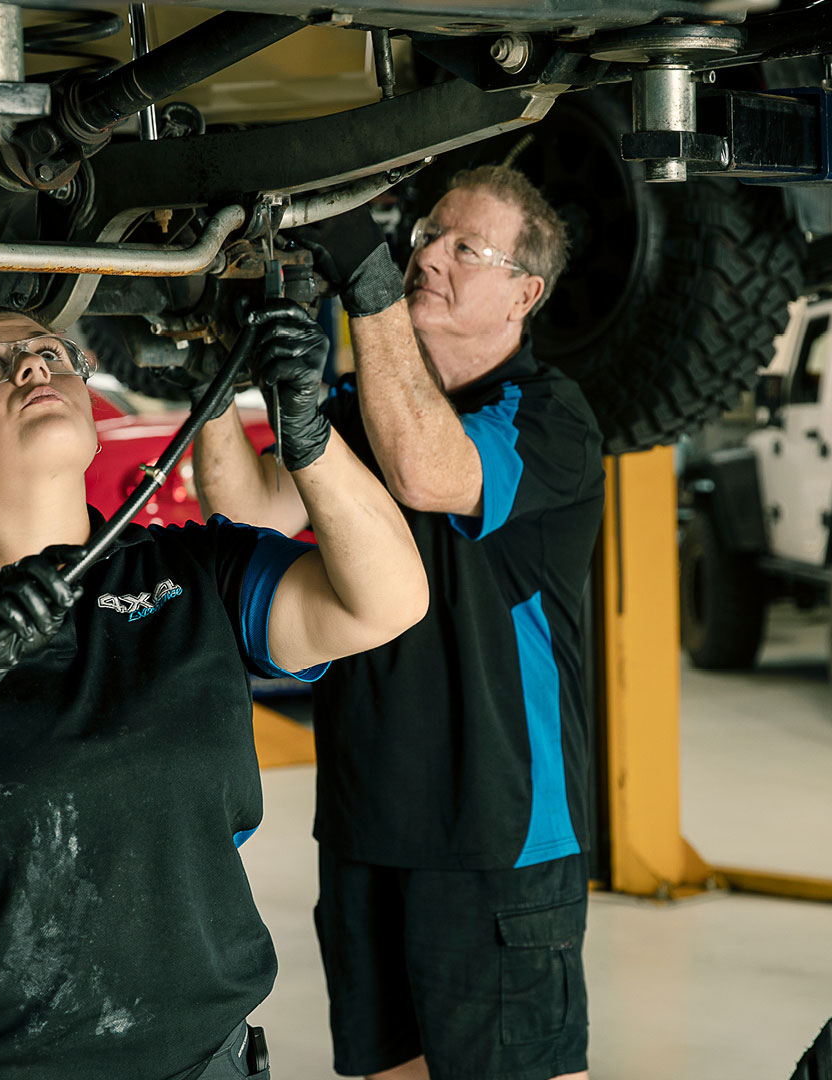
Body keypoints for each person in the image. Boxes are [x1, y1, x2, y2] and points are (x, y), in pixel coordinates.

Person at [0, 302, 429, 1080]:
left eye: (52, 355)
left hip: (197, 1064)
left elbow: (388, 601)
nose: (31, 368)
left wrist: (310, 438)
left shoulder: (200, 572)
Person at [192, 166, 605, 1080]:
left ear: (524, 294)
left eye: (467, 247)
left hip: (496, 834)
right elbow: (249, 512)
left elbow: (431, 471)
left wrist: (366, 285)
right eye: (426, 236)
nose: (430, 257)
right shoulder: (360, 412)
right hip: (364, 823)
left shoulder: (548, 418)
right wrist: (213, 377)